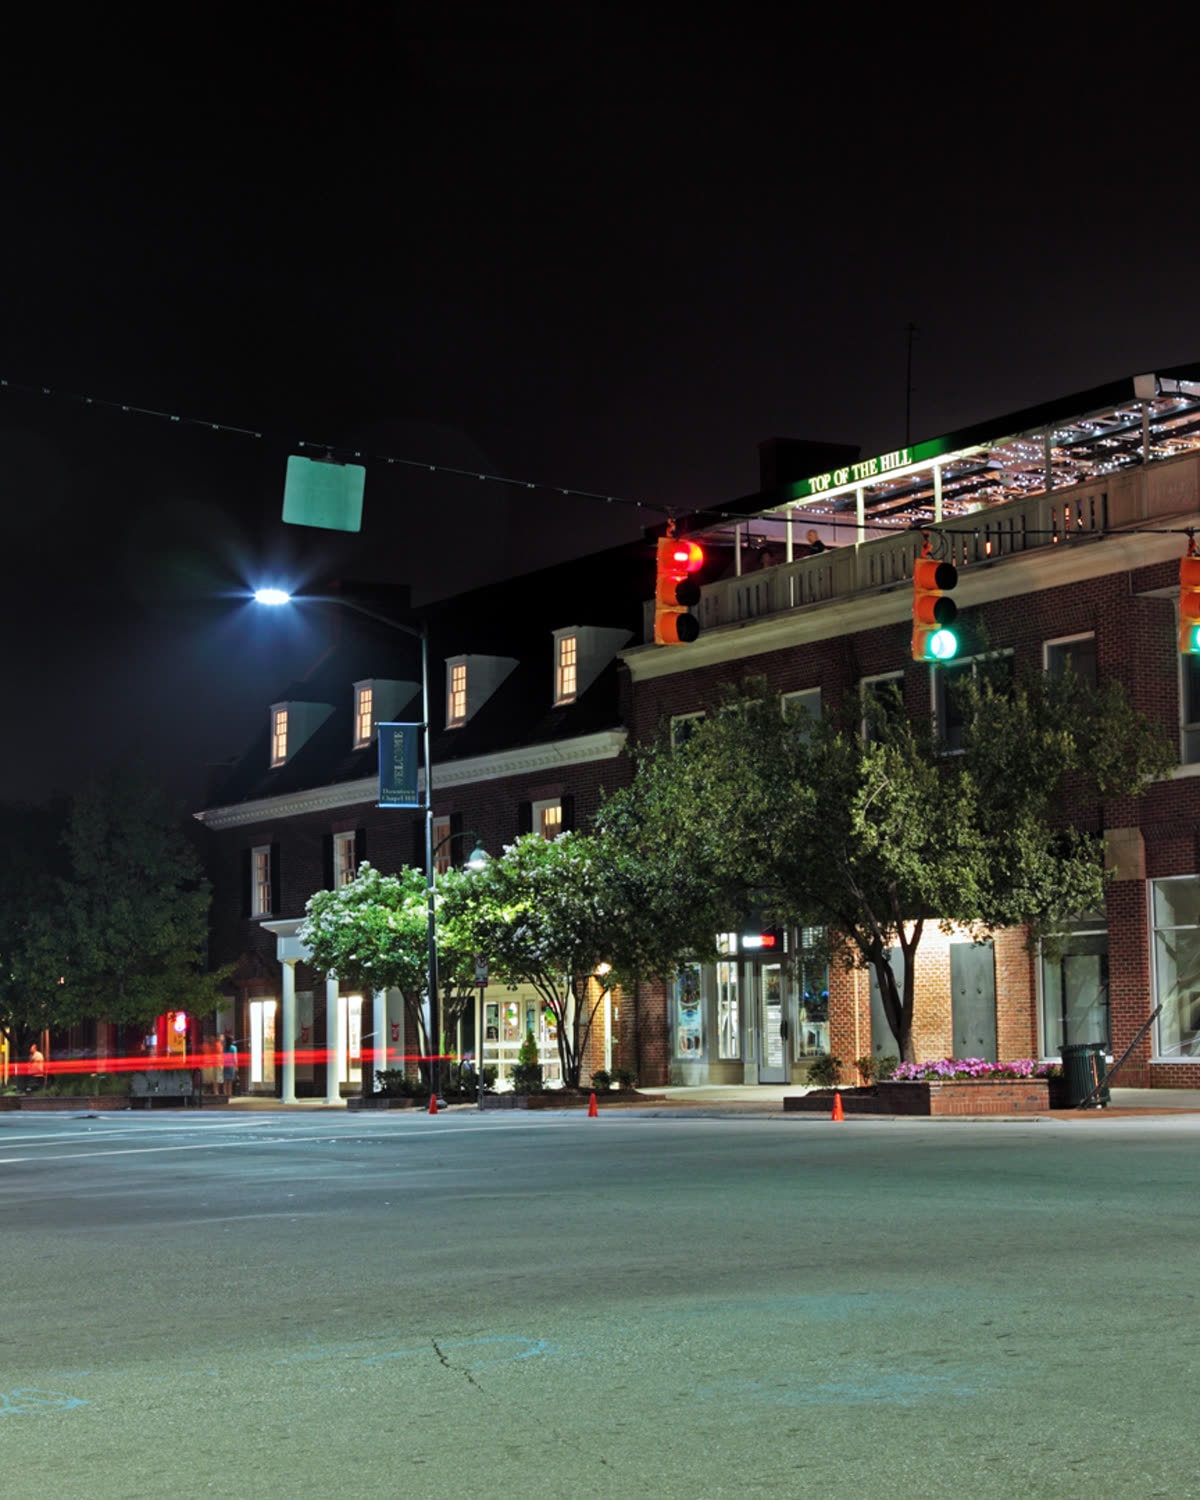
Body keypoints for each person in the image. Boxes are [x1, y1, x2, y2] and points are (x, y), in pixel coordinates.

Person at [221, 1032, 237, 1097]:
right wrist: (236, 1065)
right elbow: (235, 1058)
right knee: (230, 1081)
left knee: (225, 1080)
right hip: (231, 1065)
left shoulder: (223, 1048)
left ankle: (225, 1093)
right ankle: (229, 1093)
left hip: (225, 1065)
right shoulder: (233, 1048)